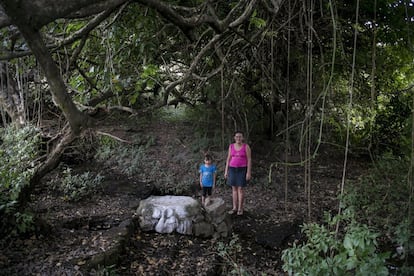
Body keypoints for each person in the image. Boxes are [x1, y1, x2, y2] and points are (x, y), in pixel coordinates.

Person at [224, 130, 251, 215]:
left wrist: (248, 172)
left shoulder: (246, 147)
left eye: (240, 136)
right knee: (234, 189)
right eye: (237, 136)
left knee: (240, 189)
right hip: (232, 169)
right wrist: (226, 171)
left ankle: (240, 208)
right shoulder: (231, 146)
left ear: (242, 138)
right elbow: (228, 158)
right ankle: (234, 208)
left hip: (242, 170)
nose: (238, 138)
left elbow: (249, 159)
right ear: (234, 138)